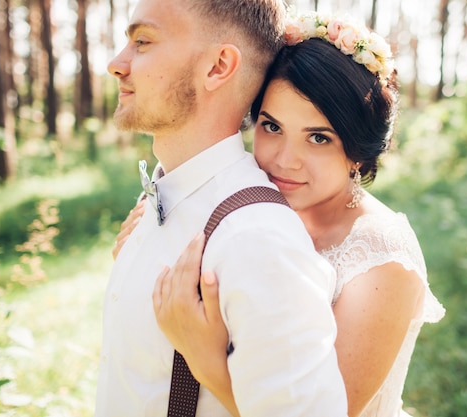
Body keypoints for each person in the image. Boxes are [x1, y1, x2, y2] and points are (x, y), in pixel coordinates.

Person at [116, 11, 446, 417]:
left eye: (319, 138)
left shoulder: (381, 255)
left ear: (357, 153)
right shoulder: (251, 211)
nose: (285, 160)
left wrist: (204, 359)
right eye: (272, 127)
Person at [96, 1, 349, 416]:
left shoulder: (258, 239)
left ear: (217, 67)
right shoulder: (160, 197)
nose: (117, 64)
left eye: (143, 41)